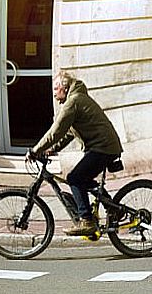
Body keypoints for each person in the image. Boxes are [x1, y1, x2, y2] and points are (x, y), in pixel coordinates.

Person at [26, 71, 123, 236]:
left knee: (74, 178)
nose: (55, 94)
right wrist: (52, 149)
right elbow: (69, 133)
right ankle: (114, 208)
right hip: (103, 146)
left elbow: (55, 131)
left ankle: (86, 221)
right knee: (82, 178)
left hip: (103, 147)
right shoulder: (75, 99)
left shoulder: (74, 101)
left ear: (64, 88)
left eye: (55, 90)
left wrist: (36, 150)